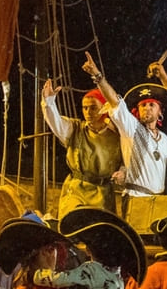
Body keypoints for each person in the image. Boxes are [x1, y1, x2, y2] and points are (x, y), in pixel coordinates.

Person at [80, 57, 167, 200]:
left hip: (159, 200)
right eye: (143, 105)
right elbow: (115, 102)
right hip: (135, 198)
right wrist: (98, 76)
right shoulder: (131, 128)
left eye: (151, 105)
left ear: (160, 111)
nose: (146, 109)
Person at [40, 77, 123, 217]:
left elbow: (125, 161)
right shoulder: (76, 129)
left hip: (102, 193)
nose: (88, 112)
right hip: (76, 190)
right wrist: (49, 102)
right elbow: (56, 123)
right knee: (72, 224)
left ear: (104, 108)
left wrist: (122, 172)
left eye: (93, 107)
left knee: (98, 229)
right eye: (85, 108)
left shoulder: (118, 136)